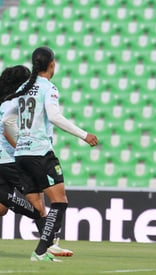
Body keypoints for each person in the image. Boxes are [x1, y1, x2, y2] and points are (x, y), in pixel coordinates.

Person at [2, 46, 99, 262]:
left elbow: (7, 120)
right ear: (52, 64)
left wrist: (21, 141)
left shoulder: (24, 89)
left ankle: (44, 250)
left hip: (21, 155)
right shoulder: (49, 88)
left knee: (39, 207)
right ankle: (40, 251)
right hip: (40, 153)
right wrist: (84, 135)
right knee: (60, 202)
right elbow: (54, 117)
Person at [0, 65, 43, 220]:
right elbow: (8, 129)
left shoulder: (3, 102)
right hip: (11, 159)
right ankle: (49, 242)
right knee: (37, 203)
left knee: (2, 209)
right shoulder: (14, 103)